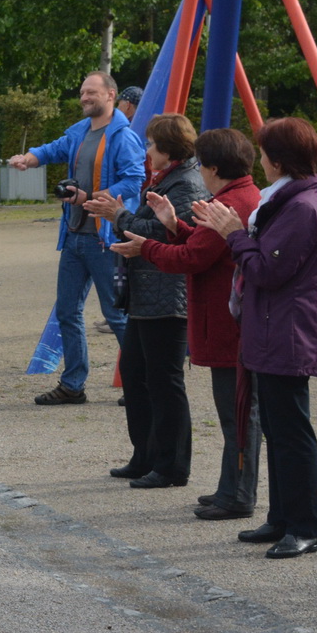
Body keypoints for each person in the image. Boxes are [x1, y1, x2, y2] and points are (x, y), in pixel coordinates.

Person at [191, 116, 317, 559]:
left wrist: (234, 234)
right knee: (276, 429)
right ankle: (282, 517)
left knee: (292, 433)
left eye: (266, 153)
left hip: (289, 333)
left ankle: (306, 525)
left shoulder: (302, 207)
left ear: (279, 160)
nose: (262, 161)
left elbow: (267, 271)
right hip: (273, 329)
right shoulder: (286, 200)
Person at [110, 128, 261, 518]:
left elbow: (194, 258)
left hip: (226, 321)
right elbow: (202, 246)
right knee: (235, 413)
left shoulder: (230, 202)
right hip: (225, 318)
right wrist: (175, 225)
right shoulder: (236, 196)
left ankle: (237, 494)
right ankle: (230, 488)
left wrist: (148, 246)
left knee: (238, 415)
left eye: (203, 165)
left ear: (213, 168)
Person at [7, 73, 146, 405]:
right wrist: (29, 159)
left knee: (117, 315)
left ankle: (141, 386)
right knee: (68, 312)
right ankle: (73, 385)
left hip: (106, 241)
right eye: (82, 92)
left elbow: (135, 180)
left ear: (110, 95)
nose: (84, 97)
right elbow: (54, 149)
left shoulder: (123, 136)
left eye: (91, 92)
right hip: (74, 238)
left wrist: (91, 197)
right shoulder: (80, 131)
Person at [86, 113, 208, 488]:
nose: (147, 151)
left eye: (152, 144)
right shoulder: (166, 179)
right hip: (147, 294)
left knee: (164, 381)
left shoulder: (186, 184)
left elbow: (164, 233)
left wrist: (118, 215)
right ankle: (145, 456)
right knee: (136, 375)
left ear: (169, 148)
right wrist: (120, 216)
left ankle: (172, 466)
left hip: (168, 296)